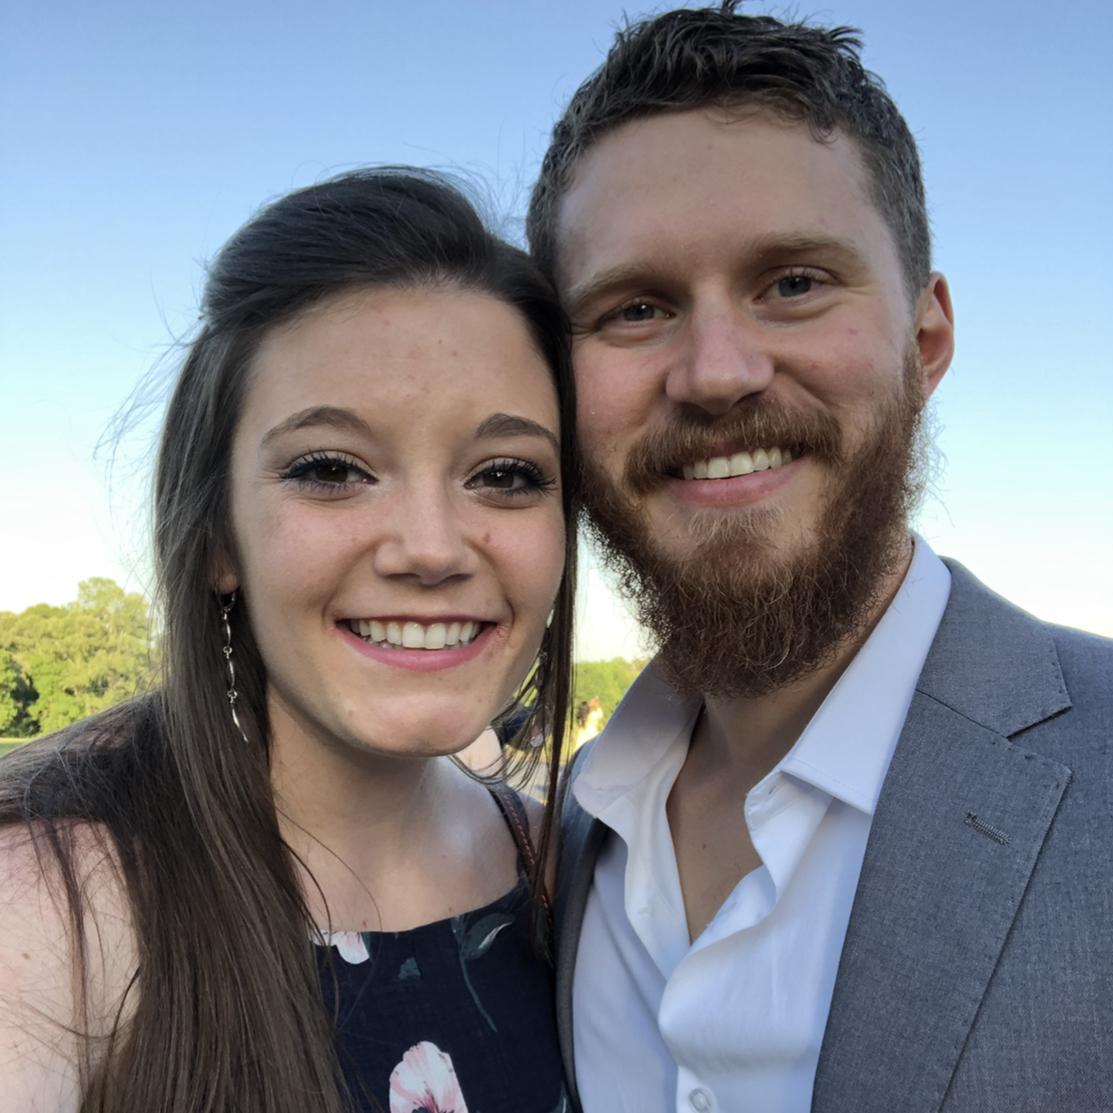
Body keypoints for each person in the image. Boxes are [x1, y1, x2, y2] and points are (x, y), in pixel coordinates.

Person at [527, 5, 1113, 1112]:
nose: (716, 373)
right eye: (635, 307)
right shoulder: (566, 837)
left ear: (924, 341)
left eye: (793, 282)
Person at [0, 169, 577, 1113]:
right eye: (332, 468)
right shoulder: (54, 904)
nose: (432, 548)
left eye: (506, 473)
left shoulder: (563, 871)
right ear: (218, 536)